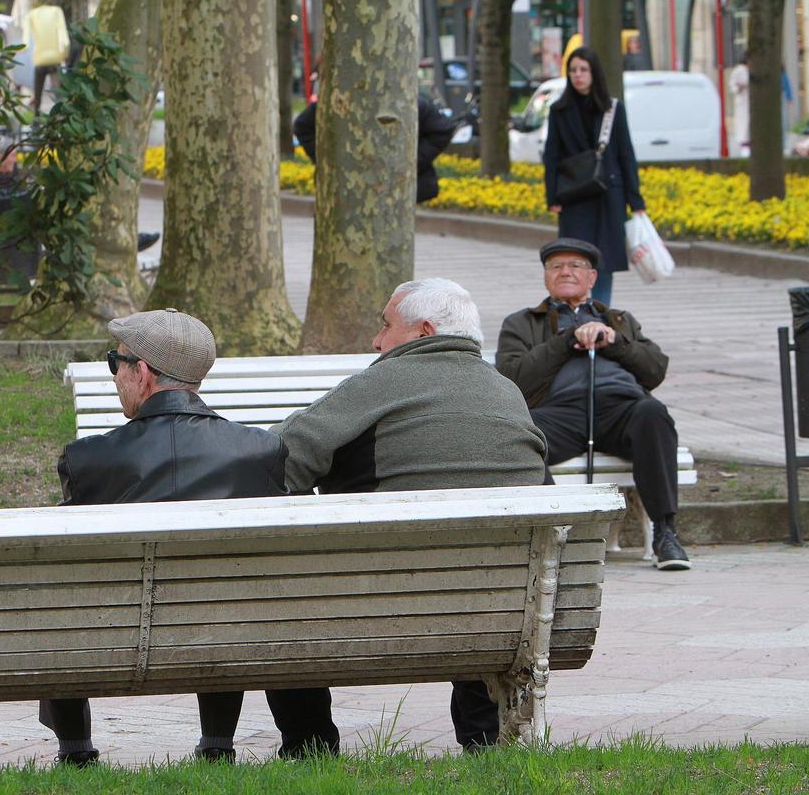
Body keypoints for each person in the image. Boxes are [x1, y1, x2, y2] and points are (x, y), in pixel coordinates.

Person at [40, 308, 340, 765]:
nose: (114, 375)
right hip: (230, 628)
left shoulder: (89, 459)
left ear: (142, 373)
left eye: (114, 362)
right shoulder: (260, 451)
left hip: (114, 632)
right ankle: (217, 742)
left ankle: (76, 749)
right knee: (227, 591)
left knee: (61, 602)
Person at [272, 278, 548, 752]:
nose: (377, 342)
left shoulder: (384, 380)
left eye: (385, 326)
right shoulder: (507, 394)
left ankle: (309, 746)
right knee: (474, 569)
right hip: (502, 611)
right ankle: (483, 742)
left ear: (422, 332)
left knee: (279, 595)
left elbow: (280, 456)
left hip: (383, 605)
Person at [495, 238, 691, 571]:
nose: (565, 272)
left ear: (592, 278)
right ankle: (554, 532)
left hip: (622, 409)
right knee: (517, 437)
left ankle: (666, 534)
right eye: (556, 266)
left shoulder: (618, 319)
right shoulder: (523, 322)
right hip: (561, 412)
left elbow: (655, 369)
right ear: (545, 276)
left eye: (575, 266)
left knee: (652, 413)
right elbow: (513, 379)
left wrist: (615, 341)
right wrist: (566, 340)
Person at [542, 46, 645, 306]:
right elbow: (551, 155)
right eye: (573, 70)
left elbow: (625, 155)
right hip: (574, 196)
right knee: (573, 259)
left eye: (583, 70)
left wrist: (636, 201)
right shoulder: (559, 110)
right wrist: (552, 195)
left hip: (608, 196)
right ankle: (572, 313)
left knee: (604, 261)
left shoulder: (612, 109)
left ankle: (599, 312)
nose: (578, 75)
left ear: (594, 73)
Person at [292, 95, 455, 204]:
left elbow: (442, 130)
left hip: (394, 189)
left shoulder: (409, 100)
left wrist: (409, 161)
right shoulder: (336, 99)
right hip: (344, 189)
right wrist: (329, 160)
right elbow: (303, 126)